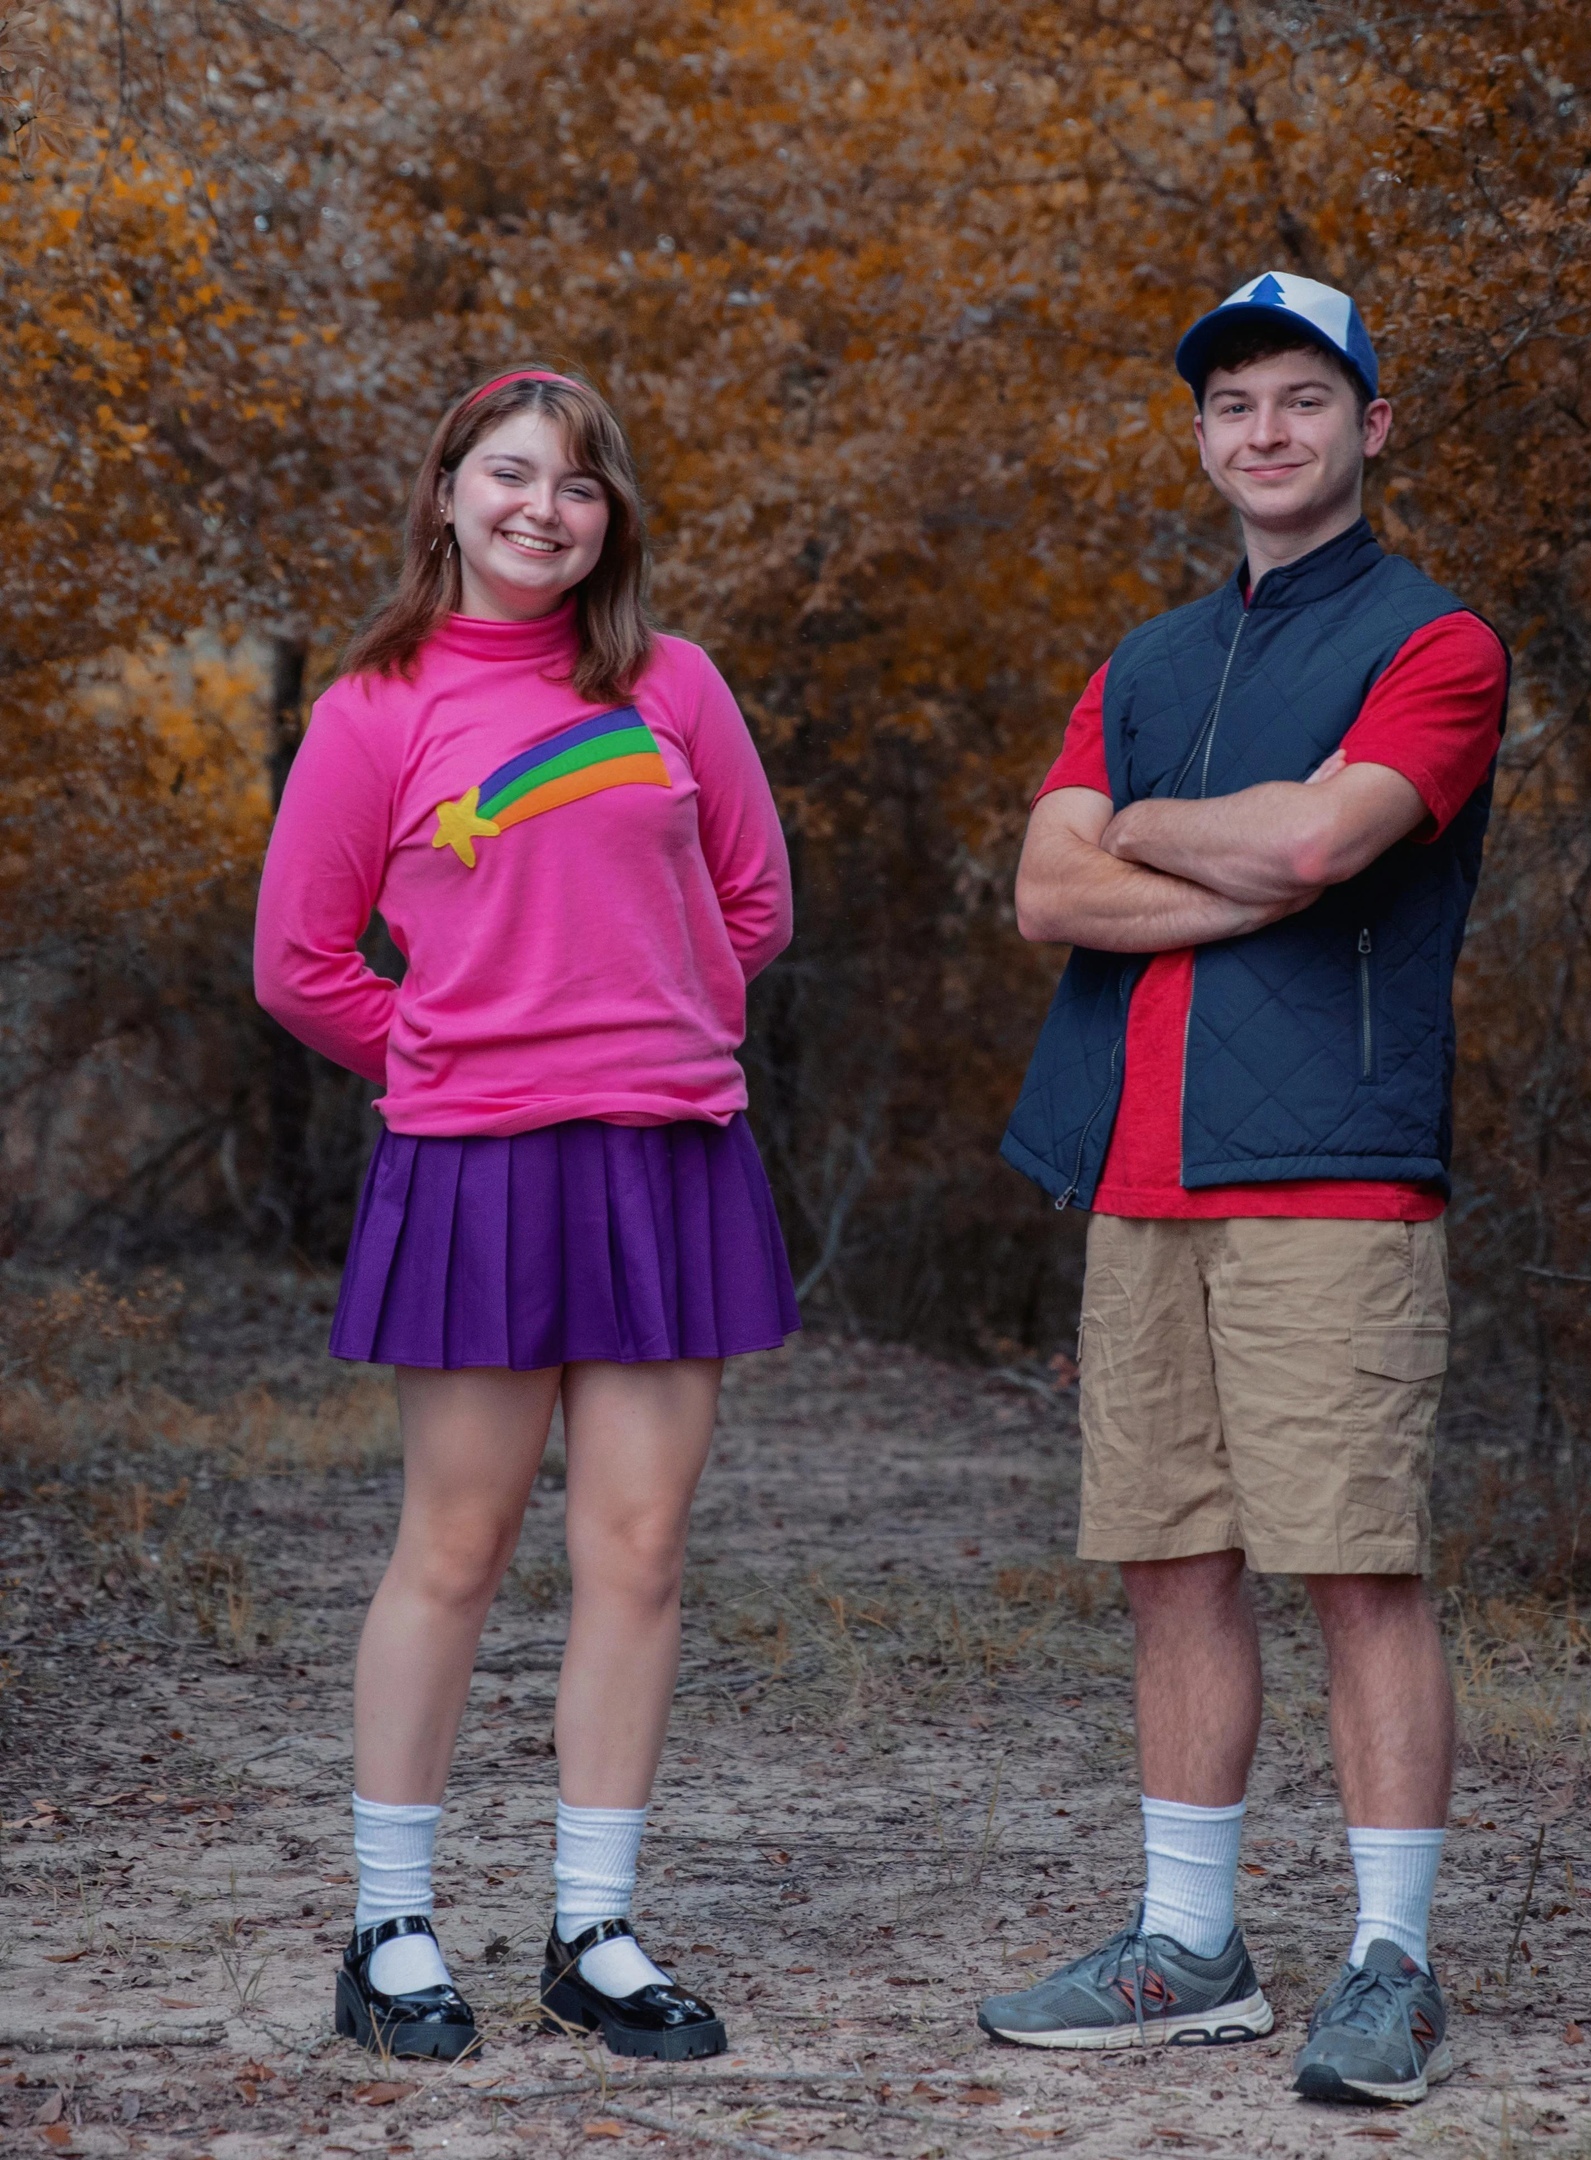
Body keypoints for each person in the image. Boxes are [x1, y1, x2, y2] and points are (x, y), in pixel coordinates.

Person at [981, 274, 1507, 2107]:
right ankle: (1189, 1950)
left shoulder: (1438, 643)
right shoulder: (1142, 663)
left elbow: (1316, 840)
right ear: (1203, 437)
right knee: (1172, 1564)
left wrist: (1154, 830)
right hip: (1137, 1170)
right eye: (1233, 406)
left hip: (1331, 1171)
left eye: (1302, 399)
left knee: (1356, 1567)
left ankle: (1392, 1965)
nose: (1264, 431)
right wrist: (1229, 857)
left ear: (1371, 426)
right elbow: (1046, 892)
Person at [254, 366, 799, 2065]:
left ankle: (594, 1933)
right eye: (507, 475)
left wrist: (651, 1024)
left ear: (607, 515)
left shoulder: (673, 685)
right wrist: (446, 1048)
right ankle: (391, 1931)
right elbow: (301, 960)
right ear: (446, 495)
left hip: (666, 1153)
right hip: (477, 1163)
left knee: (636, 1553)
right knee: (458, 1547)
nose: (539, 510)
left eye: (574, 485)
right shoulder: (377, 702)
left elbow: (755, 904)